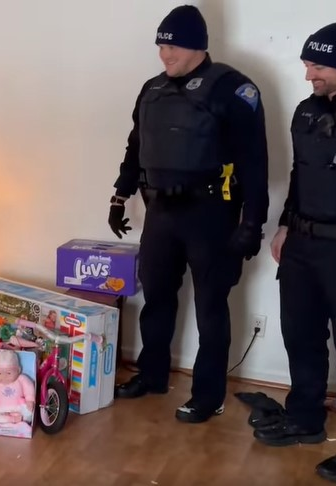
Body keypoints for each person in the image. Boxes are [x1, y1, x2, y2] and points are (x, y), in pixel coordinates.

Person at [108, 5, 269, 423]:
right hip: (160, 211)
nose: (165, 54)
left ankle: (208, 395)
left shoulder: (233, 89)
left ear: (198, 46)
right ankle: (153, 374)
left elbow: (255, 162)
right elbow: (135, 146)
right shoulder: (152, 89)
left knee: (211, 307)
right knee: (156, 297)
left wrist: (253, 223)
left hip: (211, 213)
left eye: (173, 45)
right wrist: (120, 194)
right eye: (161, 45)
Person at [255, 23, 336, 482]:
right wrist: (286, 224)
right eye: (307, 65)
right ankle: (305, 417)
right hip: (303, 243)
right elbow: (300, 174)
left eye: (319, 66)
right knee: (301, 334)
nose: (309, 76)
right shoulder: (307, 112)